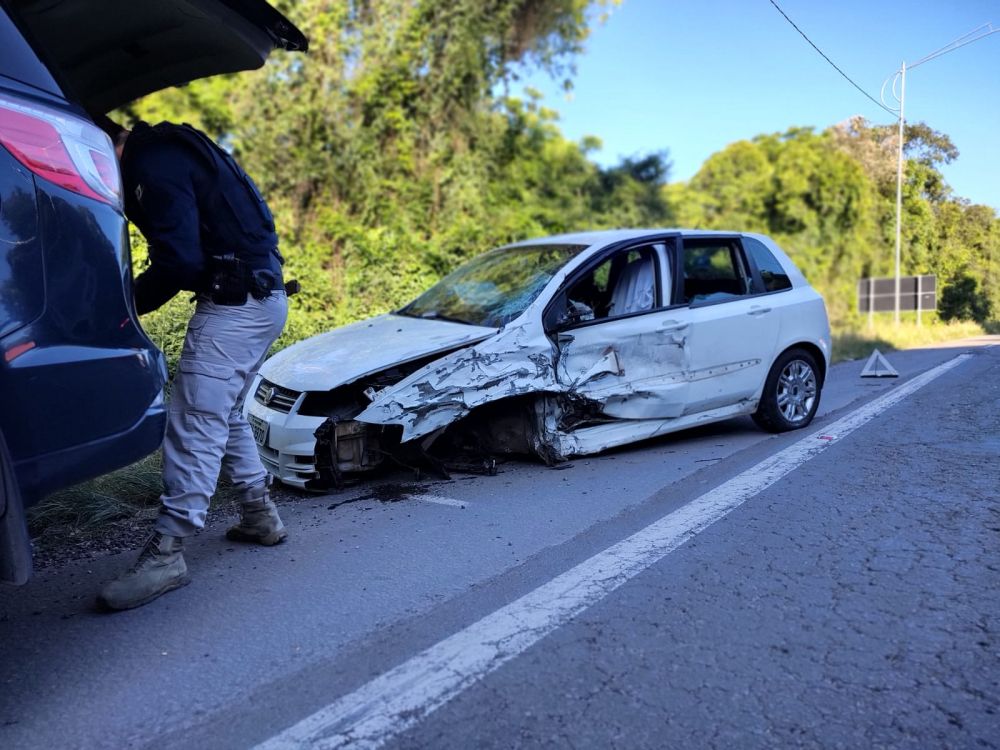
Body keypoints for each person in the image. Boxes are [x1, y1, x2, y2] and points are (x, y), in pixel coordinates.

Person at [95, 118, 290, 611]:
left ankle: (167, 554)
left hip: (234, 306)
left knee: (194, 419)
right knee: (223, 413)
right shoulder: (172, 150)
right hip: (264, 298)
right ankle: (259, 516)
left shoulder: (150, 165)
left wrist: (124, 306)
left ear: (105, 148)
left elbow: (179, 260)